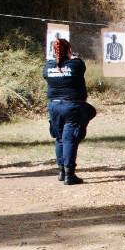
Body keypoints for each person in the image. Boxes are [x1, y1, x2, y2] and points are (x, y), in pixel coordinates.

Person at [43, 38, 96, 185]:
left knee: (60, 139)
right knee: (69, 139)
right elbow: (79, 65)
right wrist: (72, 56)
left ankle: (61, 171)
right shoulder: (76, 64)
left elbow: (48, 75)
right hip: (72, 106)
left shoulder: (48, 66)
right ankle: (70, 175)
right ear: (69, 50)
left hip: (54, 106)